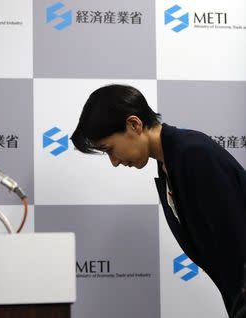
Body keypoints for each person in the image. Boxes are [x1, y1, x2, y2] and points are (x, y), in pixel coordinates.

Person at [71, 84, 246, 317]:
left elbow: (237, 246)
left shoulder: (193, 153)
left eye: (110, 149)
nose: (114, 161)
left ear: (134, 124)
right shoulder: (169, 164)